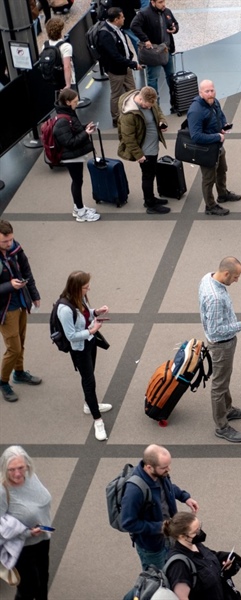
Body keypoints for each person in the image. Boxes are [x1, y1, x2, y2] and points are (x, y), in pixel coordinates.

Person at [198, 257, 241, 443]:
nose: (237, 280)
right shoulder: (215, 298)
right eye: (235, 277)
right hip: (221, 345)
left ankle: (227, 409)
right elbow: (217, 330)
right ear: (225, 273)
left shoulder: (207, 278)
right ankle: (221, 426)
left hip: (220, 342)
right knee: (219, 385)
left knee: (223, 378)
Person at [120, 444, 200, 571]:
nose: (169, 469)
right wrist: (160, 527)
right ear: (149, 467)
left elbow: (168, 488)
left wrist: (184, 497)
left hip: (169, 534)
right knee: (157, 580)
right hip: (152, 547)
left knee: (173, 568)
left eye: (168, 465)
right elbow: (128, 523)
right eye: (164, 467)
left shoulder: (160, 474)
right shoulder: (134, 491)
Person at [57, 271, 111, 441]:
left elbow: (86, 314)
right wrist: (91, 330)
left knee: (90, 374)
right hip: (80, 348)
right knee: (89, 381)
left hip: (90, 342)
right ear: (77, 288)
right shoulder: (64, 309)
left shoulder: (81, 298)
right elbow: (71, 335)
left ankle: (89, 404)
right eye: (86, 287)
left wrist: (96, 312)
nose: (89, 289)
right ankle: (98, 420)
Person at [0, 446, 52, 600]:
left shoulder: (30, 476)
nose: (17, 474)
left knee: (43, 579)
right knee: (28, 588)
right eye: (12, 469)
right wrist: (26, 532)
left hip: (42, 538)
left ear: (27, 465)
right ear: (4, 468)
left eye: (21, 468)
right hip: (21, 546)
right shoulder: (3, 491)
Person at [0, 221, 41, 404]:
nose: (9, 244)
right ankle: (3, 382)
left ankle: (19, 371)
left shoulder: (15, 249)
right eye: (4, 242)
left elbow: (26, 271)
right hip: (5, 309)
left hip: (21, 302)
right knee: (14, 348)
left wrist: (34, 294)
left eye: (10, 239)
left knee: (21, 340)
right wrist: (9, 285)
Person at [187, 80, 241, 217]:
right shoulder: (196, 111)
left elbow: (220, 115)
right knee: (208, 178)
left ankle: (222, 194)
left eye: (212, 90)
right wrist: (217, 137)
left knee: (222, 170)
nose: (210, 93)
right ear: (200, 93)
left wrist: (224, 125)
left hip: (218, 146)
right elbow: (196, 136)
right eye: (207, 91)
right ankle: (210, 206)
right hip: (206, 150)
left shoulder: (214, 102)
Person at [117, 86, 171, 215]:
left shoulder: (150, 101)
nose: (149, 107)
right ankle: (150, 204)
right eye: (147, 106)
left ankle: (151, 198)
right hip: (145, 152)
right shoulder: (129, 114)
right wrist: (138, 155)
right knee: (147, 177)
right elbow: (128, 137)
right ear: (140, 99)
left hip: (153, 147)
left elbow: (158, 112)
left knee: (151, 174)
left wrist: (162, 121)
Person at [163, 512, 240, 600]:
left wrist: (223, 563)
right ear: (182, 536)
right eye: (196, 531)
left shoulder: (195, 544)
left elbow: (210, 558)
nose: (200, 533)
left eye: (199, 528)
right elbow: (182, 597)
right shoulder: (179, 565)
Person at [52, 89, 101, 223]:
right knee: (77, 181)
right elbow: (69, 142)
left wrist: (85, 128)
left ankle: (78, 208)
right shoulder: (63, 121)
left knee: (78, 181)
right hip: (70, 157)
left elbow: (74, 130)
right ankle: (80, 212)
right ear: (67, 102)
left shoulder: (67, 114)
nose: (77, 103)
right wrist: (86, 133)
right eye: (74, 101)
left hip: (73, 156)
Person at [96, 7, 142, 126]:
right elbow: (114, 55)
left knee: (132, 89)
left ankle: (133, 111)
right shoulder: (105, 34)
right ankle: (116, 118)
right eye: (122, 17)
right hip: (116, 70)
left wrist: (130, 56)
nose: (124, 18)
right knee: (116, 94)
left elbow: (123, 44)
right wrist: (132, 64)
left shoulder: (118, 29)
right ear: (116, 19)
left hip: (125, 65)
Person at [131, 0, 179, 111]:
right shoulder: (144, 14)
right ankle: (155, 107)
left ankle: (175, 102)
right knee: (153, 80)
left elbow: (175, 23)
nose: (163, 4)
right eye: (160, 2)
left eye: (164, 1)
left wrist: (175, 29)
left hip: (167, 51)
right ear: (153, 2)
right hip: (154, 54)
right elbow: (134, 26)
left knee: (171, 77)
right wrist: (145, 39)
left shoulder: (167, 11)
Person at [44, 17, 74, 92]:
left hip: (51, 80)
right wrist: (68, 85)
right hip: (64, 81)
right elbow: (66, 67)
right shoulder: (66, 46)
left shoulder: (45, 45)